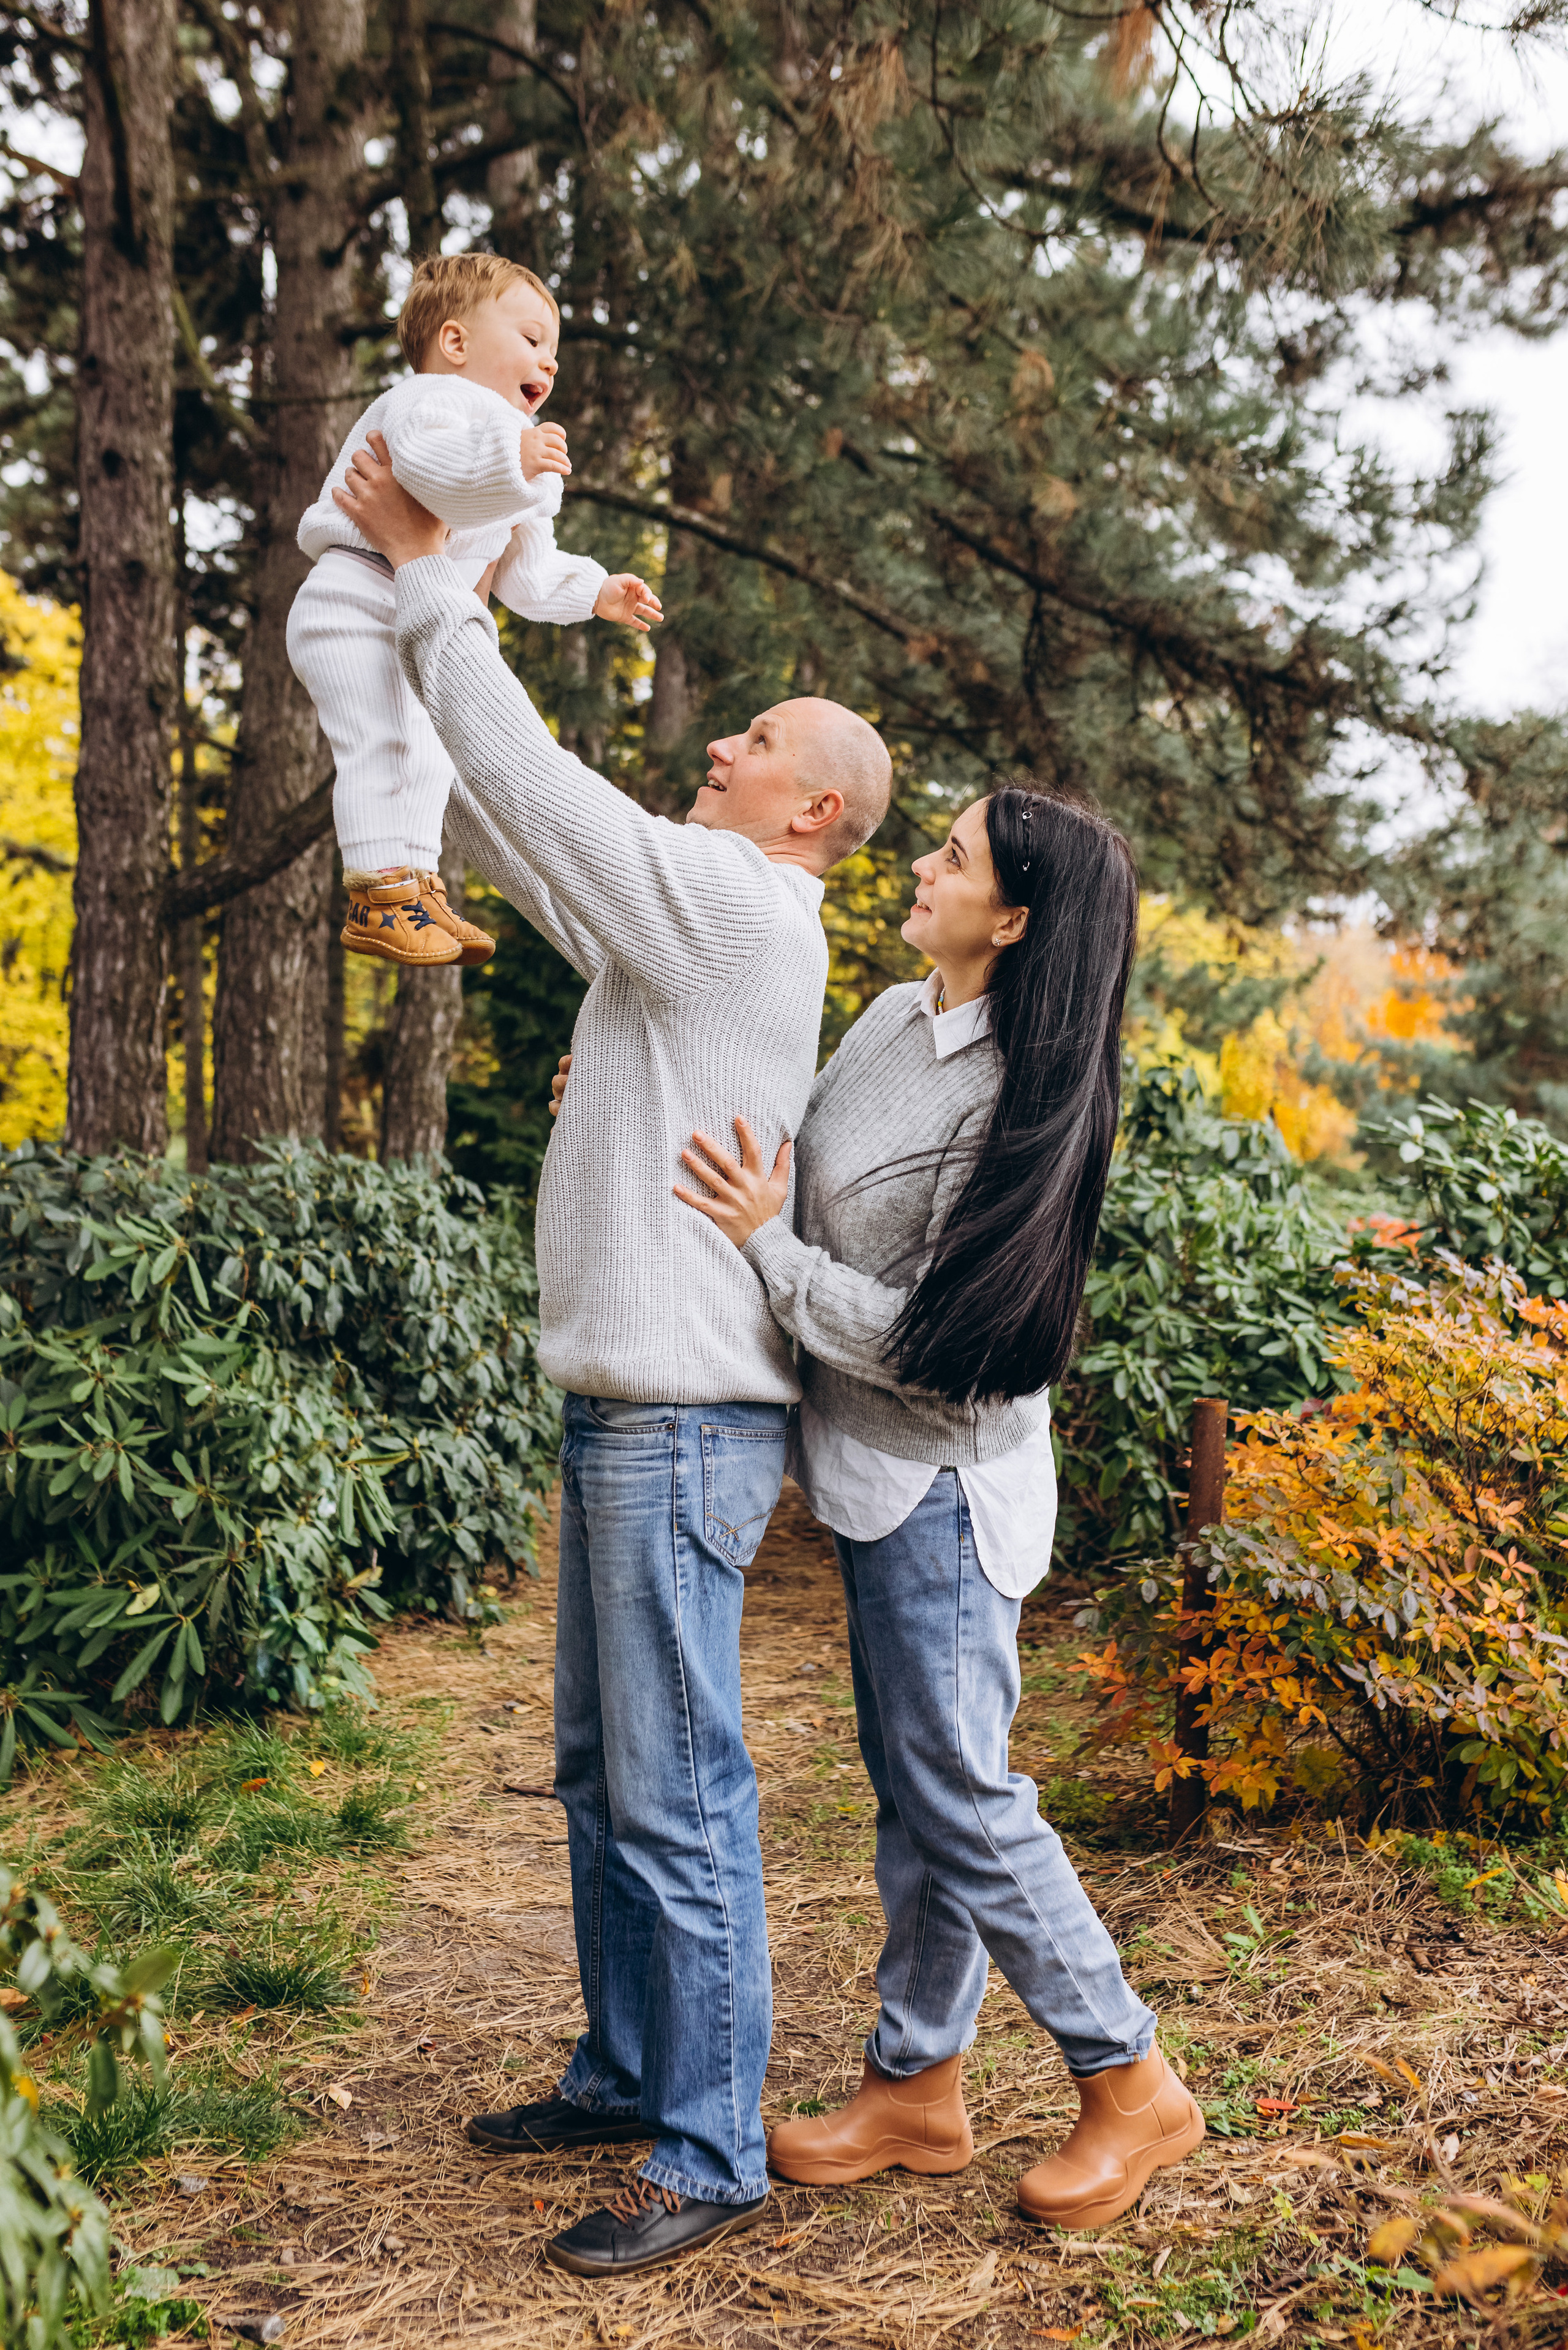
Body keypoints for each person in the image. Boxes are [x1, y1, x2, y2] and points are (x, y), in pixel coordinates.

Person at [328, 435, 892, 2279]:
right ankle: (626, 2062)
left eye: (754, 743)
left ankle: (708, 2143)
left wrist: (440, 584)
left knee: (676, 1787)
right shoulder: (686, 920)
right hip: (630, 1410)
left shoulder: (736, 904)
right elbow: (510, 831)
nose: (719, 742)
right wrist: (427, 674)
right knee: (600, 1772)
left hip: (677, 1424)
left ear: (808, 811)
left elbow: (545, 799)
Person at [669, 785, 1206, 2231]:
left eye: (951, 855)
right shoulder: (895, 1020)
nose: (919, 861)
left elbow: (946, 1355)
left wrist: (767, 1257)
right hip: (863, 1476)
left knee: (963, 1800)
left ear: (1014, 918)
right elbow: (796, 1145)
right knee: (918, 1801)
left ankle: (1130, 2079)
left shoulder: (1016, 1104)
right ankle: (916, 2087)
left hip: (938, 1489)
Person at [290, 250, 662, 971]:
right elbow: (436, 483)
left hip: (411, 613)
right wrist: (514, 461)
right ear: (455, 343)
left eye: (553, 353)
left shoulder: (514, 449)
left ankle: (417, 887)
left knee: (429, 755)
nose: (547, 364)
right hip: (353, 597)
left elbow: (527, 573)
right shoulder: (429, 402)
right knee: (381, 746)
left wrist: (594, 592)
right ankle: (376, 892)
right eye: (530, 340)